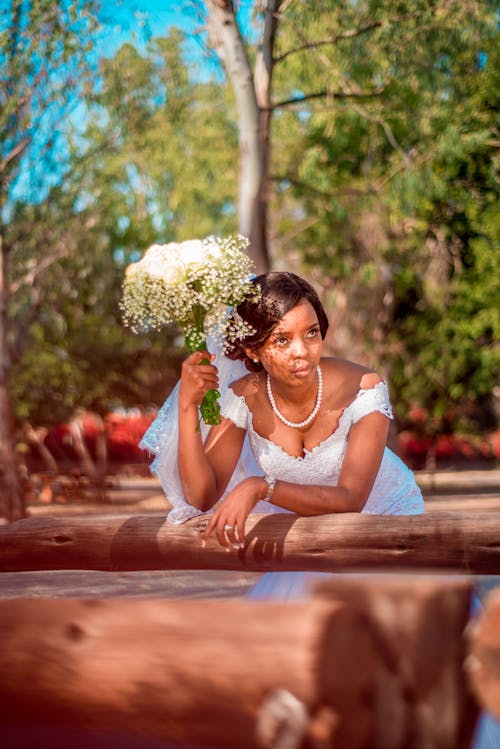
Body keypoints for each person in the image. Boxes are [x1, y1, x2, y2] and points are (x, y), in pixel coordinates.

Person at [141, 271, 424, 551]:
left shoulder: (364, 389)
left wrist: (260, 487)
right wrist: (188, 406)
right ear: (253, 350)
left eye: (311, 333)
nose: (302, 351)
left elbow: (351, 499)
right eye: (282, 340)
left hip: (389, 528)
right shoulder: (242, 398)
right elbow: (201, 497)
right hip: (310, 538)